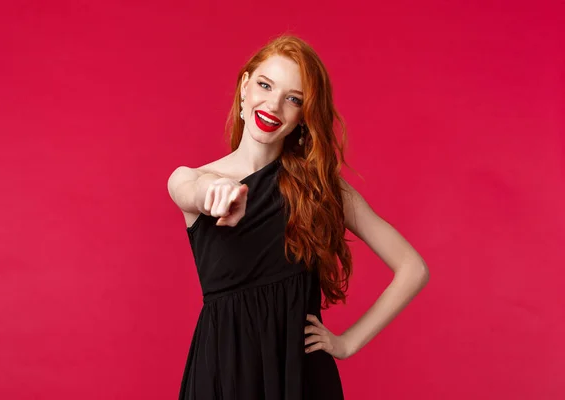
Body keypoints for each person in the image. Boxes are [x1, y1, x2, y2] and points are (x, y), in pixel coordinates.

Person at [168, 34, 430, 400]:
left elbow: (413, 268)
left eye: (293, 99)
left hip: (301, 374)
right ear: (245, 86)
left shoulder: (322, 187)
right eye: (264, 85)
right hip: (223, 372)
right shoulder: (190, 178)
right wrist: (214, 191)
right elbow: (189, 190)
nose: (273, 105)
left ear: (303, 115)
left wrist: (347, 344)